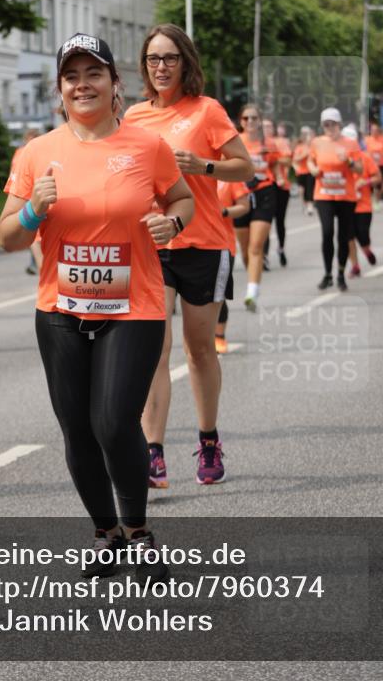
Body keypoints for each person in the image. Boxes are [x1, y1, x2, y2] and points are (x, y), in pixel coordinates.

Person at [0, 34, 194, 577]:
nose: (82, 85)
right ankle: (105, 533)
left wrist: (173, 223)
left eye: (93, 74)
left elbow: (182, 197)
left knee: (112, 422)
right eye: (71, 76)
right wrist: (33, 211)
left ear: (113, 83)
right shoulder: (36, 153)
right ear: (60, 88)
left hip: (133, 306)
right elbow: (9, 237)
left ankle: (139, 531)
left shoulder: (146, 147)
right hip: (59, 311)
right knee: (77, 430)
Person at [124, 24, 253, 488]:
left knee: (199, 350)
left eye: (170, 58)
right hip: (154, 245)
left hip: (205, 244)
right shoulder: (133, 117)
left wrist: (204, 166)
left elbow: (245, 167)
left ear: (185, 62)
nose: (161, 67)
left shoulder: (207, 110)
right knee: (153, 350)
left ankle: (209, 438)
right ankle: (152, 452)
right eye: (153, 59)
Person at [307, 108, 362, 291]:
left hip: (345, 196)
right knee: (327, 232)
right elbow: (310, 160)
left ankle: (340, 274)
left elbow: (360, 169)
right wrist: (313, 169)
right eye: (326, 124)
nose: (330, 127)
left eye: (333, 124)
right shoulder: (317, 142)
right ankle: (327, 274)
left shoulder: (351, 143)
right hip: (324, 195)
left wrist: (349, 162)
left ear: (339, 124)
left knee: (343, 236)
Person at [233, 105, 279, 311]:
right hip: (241, 195)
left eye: (254, 118)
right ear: (241, 121)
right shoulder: (234, 141)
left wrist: (272, 176)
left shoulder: (268, 143)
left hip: (264, 193)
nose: (250, 122)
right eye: (246, 118)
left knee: (256, 246)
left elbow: (276, 162)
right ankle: (252, 278)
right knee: (245, 250)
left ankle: (252, 292)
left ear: (259, 121)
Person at [214, 180, 250, 353]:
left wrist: (224, 211)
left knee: (218, 293)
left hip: (223, 244)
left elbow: (244, 206)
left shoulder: (228, 176)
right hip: (191, 244)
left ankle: (219, 335)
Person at [342, 126, 379, 277]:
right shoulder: (339, 158)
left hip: (363, 205)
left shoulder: (365, 158)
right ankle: (355, 266)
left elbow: (377, 177)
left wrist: (365, 182)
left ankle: (367, 250)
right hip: (345, 203)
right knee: (349, 236)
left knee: (362, 235)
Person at [8, 129, 43, 276]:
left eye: (34, 138)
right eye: (29, 138)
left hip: (37, 194)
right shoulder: (21, 153)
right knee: (33, 230)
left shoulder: (39, 151)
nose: (31, 141)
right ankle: (38, 264)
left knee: (36, 231)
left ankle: (36, 264)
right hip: (26, 195)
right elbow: (14, 174)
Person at [262, 120, 293, 267]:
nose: (266, 129)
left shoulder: (280, 142)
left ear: (274, 128)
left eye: (269, 126)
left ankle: (281, 248)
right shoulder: (258, 142)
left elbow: (288, 161)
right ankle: (264, 254)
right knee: (264, 220)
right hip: (264, 185)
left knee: (280, 220)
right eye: (264, 126)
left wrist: (273, 157)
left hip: (281, 185)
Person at [293, 126, 315, 216]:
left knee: (310, 189)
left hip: (310, 171)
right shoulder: (299, 147)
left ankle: (310, 206)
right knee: (302, 189)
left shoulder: (313, 146)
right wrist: (304, 155)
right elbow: (295, 159)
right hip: (301, 172)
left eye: (309, 134)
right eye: (305, 134)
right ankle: (305, 204)